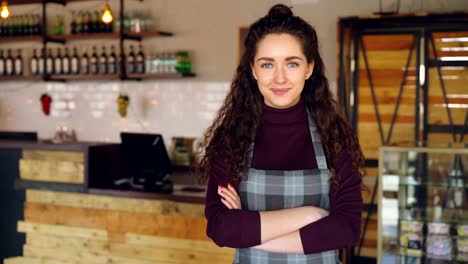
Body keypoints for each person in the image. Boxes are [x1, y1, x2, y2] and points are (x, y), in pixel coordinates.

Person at [196, 4, 364, 263]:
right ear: (253, 70)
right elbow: (220, 227)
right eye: (267, 65)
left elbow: (347, 229)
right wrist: (308, 216)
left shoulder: (335, 137)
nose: (280, 78)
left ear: (309, 68)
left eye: (292, 63)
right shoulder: (231, 139)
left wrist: (249, 230)